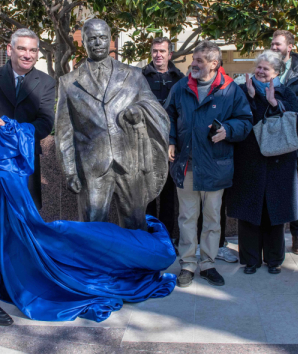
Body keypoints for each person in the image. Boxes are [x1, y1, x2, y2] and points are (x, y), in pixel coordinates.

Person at [0, 28, 56, 326]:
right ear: (10, 49)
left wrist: (16, 133)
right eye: (22, 49)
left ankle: (21, 292)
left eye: (33, 50)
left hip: (25, 173)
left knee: (22, 235)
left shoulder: (45, 82)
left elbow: (45, 122)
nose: (28, 55)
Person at [55, 19, 170, 232]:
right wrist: (70, 172)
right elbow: (63, 132)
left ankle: (135, 265)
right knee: (93, 226)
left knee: (135, 224)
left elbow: (154, 107)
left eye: (102, 38)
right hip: (92, 167)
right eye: (92, 38)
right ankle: (95, 266)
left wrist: (140, 111)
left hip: (129, 163)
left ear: (110, 40)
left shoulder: (134, 75)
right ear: (84, 43)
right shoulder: (69, 82)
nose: (98, 42)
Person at [165, 40, 252, 288]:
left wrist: (228, 129)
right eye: (194, 59)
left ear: (214, 64)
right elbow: (168, 115)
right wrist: (171, 140)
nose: (193, 64)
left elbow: (245, 121)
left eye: (200, 60)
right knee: (187, 218)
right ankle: (188, 264)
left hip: (216, 166)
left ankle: (208, 264)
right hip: (187, 165)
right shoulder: (181, 86)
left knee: (213, 220)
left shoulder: (231, 90)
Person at [226, 50, 298, 275]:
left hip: (278, 163)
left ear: (276, 73)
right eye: (258, 67)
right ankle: (250, 260)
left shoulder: (285, 92)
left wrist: (274, 103)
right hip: (249, 161)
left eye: (266, 69)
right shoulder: (242, 91)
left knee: (274, 213)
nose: (260, 71)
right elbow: (238, 119)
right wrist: (250, 99)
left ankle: (274, 260)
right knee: (250, 213)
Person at [270, 30, 298, 256]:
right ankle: (272, 236)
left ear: (290, 46)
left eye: (278, 44)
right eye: (272, 44)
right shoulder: (267, 66)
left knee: (295, 190)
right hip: (270, 138)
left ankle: (297, 235)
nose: (274, 47)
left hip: (295, 137)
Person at [142, 37, 185, 237]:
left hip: (171, 144)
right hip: (146, 143)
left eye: (162, 51)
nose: (158, 55)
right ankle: (150, 237)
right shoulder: (140, 77)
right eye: (155, 51)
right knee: (148, 194)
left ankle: (167, 237)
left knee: (169, 194)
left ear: (170, 54)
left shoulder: (180, 78)